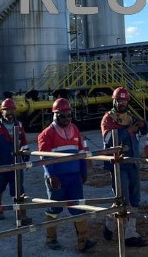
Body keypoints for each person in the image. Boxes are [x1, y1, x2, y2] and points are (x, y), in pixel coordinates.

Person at [37, 98, 96, 252]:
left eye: (69, 114)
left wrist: (83, 171)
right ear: (55, 115)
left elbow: (81, 152)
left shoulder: (75, 130)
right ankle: (51, 239)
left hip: (74, 177)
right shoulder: (46, 134)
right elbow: (45, 157)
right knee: (54, 209)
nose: (67, 118)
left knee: (78, 207)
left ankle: (83, 240)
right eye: (63, 115)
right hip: (57, 177)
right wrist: (51, 175)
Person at [100, 86, 148, 247]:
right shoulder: (108, 118)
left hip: (132, 163)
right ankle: (111, 222)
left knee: (134, 199)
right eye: (119, 100)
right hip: (118, 165)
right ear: (114, 101)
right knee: (123, 199)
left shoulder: (129, 116)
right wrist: (128, 131)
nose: (122, 103)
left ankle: (129, 233)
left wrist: (142, 124)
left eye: (124, 100)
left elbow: (146, 128)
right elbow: (108, 139)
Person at [0, 98, 32, 225]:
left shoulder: (19, 125)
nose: (10, 112)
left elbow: (24, 143)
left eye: (12, 110)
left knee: (18, 189)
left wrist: (26, 155)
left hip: (16, 164)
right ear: (2, 112)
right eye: (7, 110)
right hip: (0, 165)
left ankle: (21, 214)